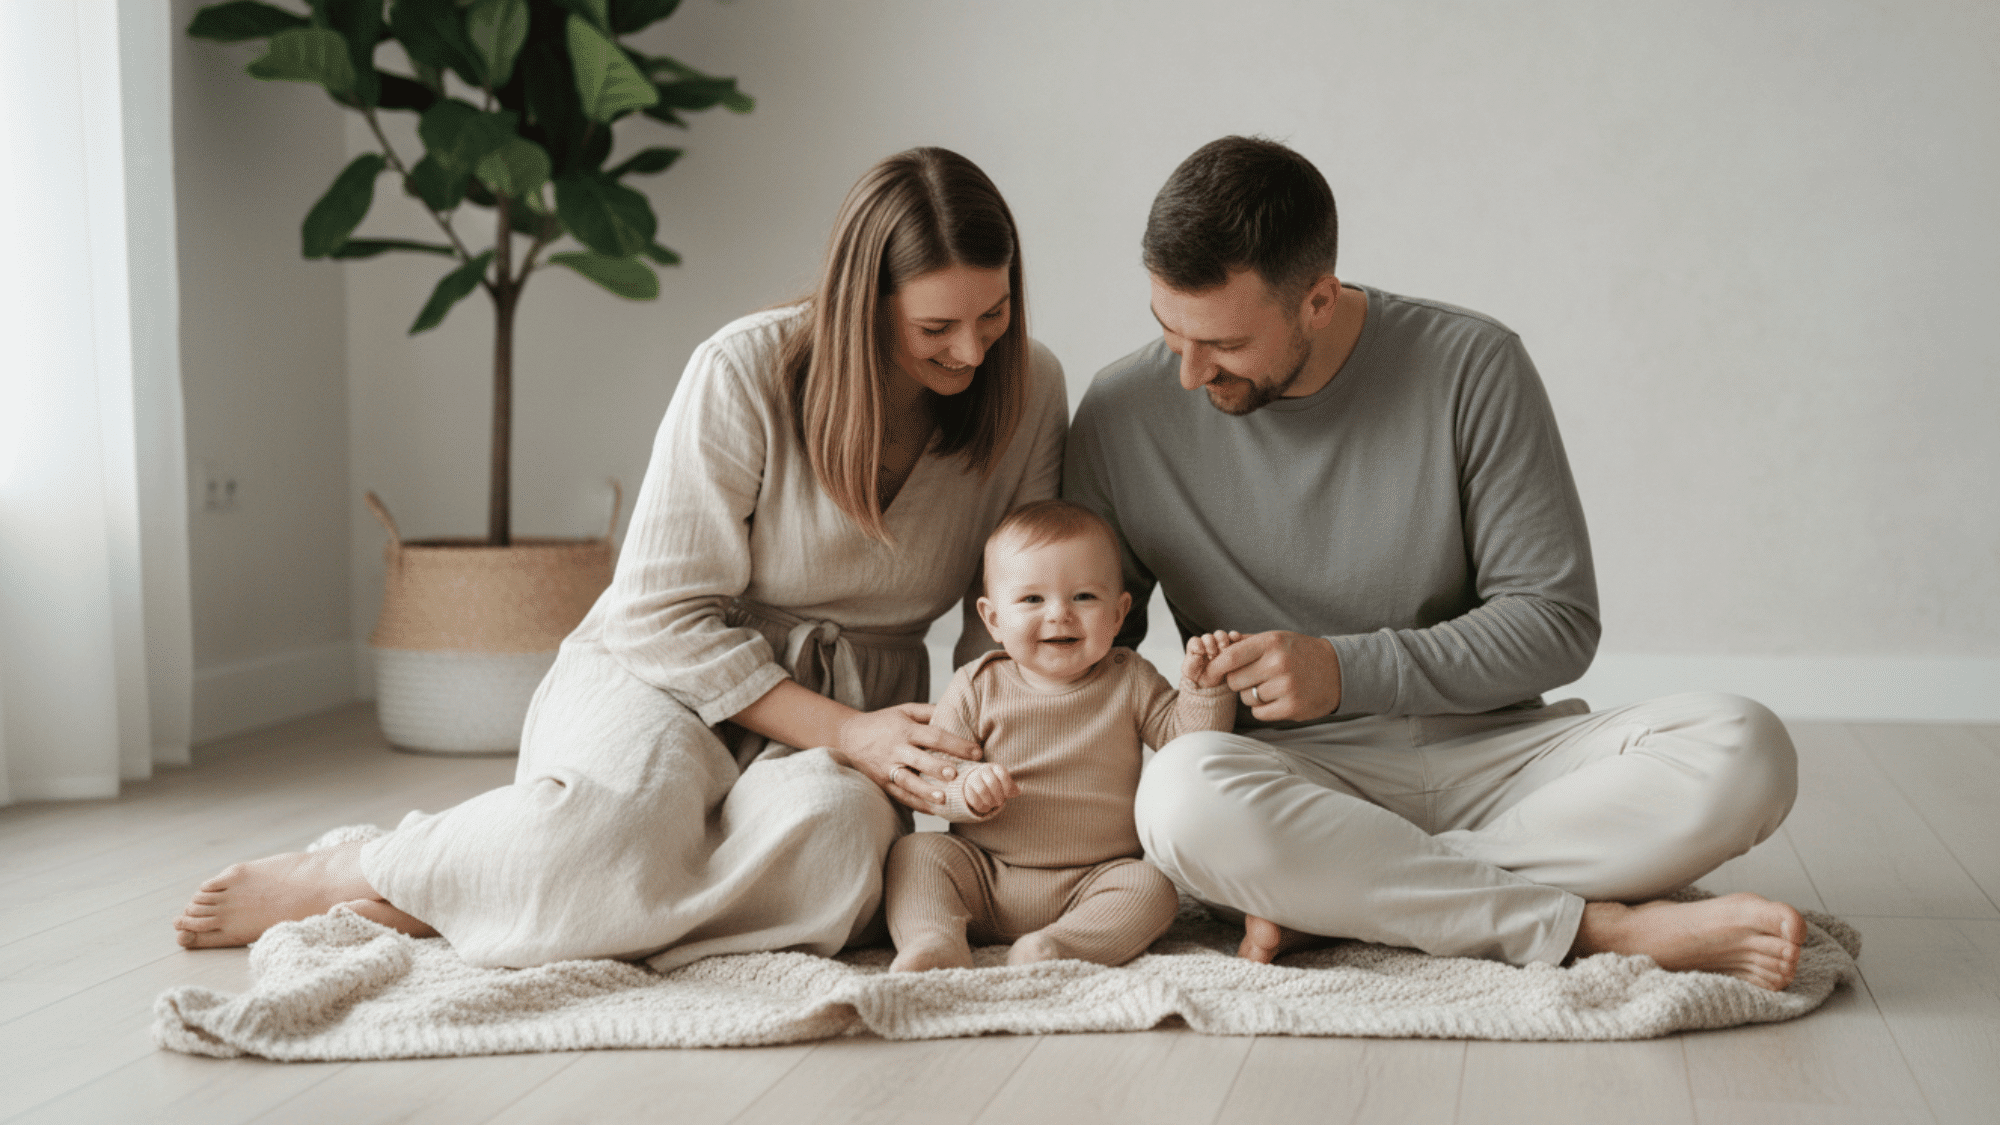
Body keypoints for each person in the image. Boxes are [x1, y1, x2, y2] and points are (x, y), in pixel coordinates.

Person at [173, 147, 1070, 971]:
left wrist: (970, 754)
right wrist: (847, 733)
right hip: (668, 673)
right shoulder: (745, 370)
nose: (971, 349)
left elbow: (1015, 609)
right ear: (860, 306)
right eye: (936, 327)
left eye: (992, 315)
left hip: (858, 708)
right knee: (602, 835)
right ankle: (370, 864)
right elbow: (661, 613)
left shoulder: (1027, 390)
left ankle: (480, 902)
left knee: (842, 860)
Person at [1064, 136, 1808, 992]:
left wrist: (1345, 670)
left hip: (1498, 757)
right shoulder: (1123, 409)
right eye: (1168, 329)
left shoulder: (1472, 365)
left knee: (1748, 747)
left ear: (1317, 300)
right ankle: (1595, 929)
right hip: (1293, 773)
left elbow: (1556, 621)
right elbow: (1075, 634)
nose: (1189, 372)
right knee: (1178, 798)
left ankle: (1345, 894)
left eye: (1225, 343)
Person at [884, 500, 1237, 971]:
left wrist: (1205, 689)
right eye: (1032, 599)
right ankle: (935, 939)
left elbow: (1188, 748)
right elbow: (931, 777)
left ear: (1118, 613)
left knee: (1152, 888)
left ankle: (1057, 947)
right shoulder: (976, 684)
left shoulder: (1129, 678)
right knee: (916, 854)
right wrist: (964, 788)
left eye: (1084, 597)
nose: (1059, 615)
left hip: (1094, 881)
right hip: (985, 874)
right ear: (992, 620)